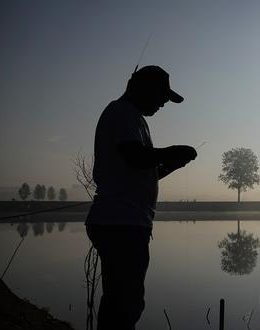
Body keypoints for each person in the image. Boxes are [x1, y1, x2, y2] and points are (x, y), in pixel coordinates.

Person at [85, 65, 197, 330]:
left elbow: (140, 172)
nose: (163, 103)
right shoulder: (122, 112)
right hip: (120, 222)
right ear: (140, 87)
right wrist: (172, 150)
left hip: (126, 221)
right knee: (125, 302)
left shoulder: (133, 117)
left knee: (125, 299)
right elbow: (136, 157)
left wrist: (174, 163)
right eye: (161, 96)